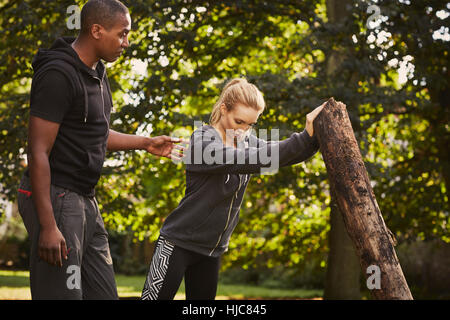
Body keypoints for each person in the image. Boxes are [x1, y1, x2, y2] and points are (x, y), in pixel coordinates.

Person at [17, 0, 185, 300]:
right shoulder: (58, 74)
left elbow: (97, 133)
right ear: (96, 30)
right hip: (57, 198)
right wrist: (48, 225)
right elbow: (38, 150)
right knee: (63, 294)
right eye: (122, 34)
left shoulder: (97, 73)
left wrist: (145, 143)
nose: (126, 42)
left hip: (86, 202)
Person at [141, 78, 326, 300]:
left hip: (211, 250)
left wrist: (313, 138)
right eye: (239, 121)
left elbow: (281, 154)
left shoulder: (247, 141)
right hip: (177, 244)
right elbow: (251, 159)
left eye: (251, 125)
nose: (244, 130)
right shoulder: (203, 141)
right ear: (223, 109)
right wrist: (304, 138)